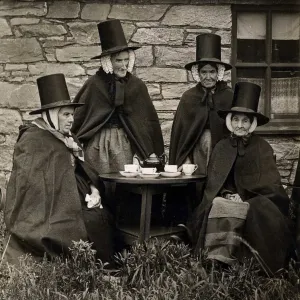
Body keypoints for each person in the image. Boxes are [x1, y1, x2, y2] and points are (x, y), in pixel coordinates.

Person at [4, 74, 115, 265]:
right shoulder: (33, 140)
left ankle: (98, 264)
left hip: (77, 199)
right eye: (66, 114)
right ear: (52, 115)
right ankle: (87, 264)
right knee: (88, 222)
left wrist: (94, 191)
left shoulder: (68, 138)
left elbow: (85, 171)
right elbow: (30, 186)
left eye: (72, 114)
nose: (71, 120)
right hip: (48, 209)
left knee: (100, 216)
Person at [189, 82, 293, 273]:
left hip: (256, 199)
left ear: (251, 124)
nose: (240, 125)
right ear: (230, 121)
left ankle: (250, 263)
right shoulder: (221, 147)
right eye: (236, 120)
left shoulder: (262, 147)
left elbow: (270, 185)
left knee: (259, 211)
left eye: (245, 121)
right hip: (226, 197)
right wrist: (228, 193)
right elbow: (215, 182)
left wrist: (245, 197)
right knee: (218, 204)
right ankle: (218, 260)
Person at [71, 19, 165, 224]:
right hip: (97, 145)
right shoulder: (94, 85)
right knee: (100, 187)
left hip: (125, 144)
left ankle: (124, 235)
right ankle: (103, 233)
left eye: (125, 60)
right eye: (118, 61)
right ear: (108, 62)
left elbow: (146, 121)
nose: (123, 65)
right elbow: (79, 117)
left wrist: (148, 150)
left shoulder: (137, 86)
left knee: (125, 190)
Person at [165, 34, 233, 225]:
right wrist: (183, 158)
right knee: (195, 187)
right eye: (204, 72)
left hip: (220, 155)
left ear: (218, 72)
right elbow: (182, 135)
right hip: (195, 155)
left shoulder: (228, 96)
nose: (208, 76)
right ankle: (191, 224)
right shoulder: (189, 98)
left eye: (212, 72)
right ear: (197, 73)